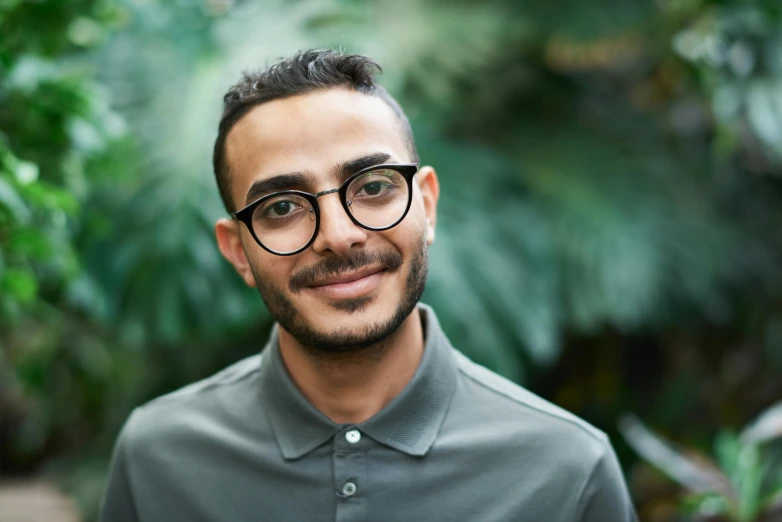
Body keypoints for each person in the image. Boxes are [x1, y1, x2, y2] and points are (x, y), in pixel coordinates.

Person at [100, 49, 638, 522]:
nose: (339, 236)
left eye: (374, 187)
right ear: (239, 251)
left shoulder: (567, 469)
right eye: (282, 206)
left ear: (425, 205)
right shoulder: (158, 458)